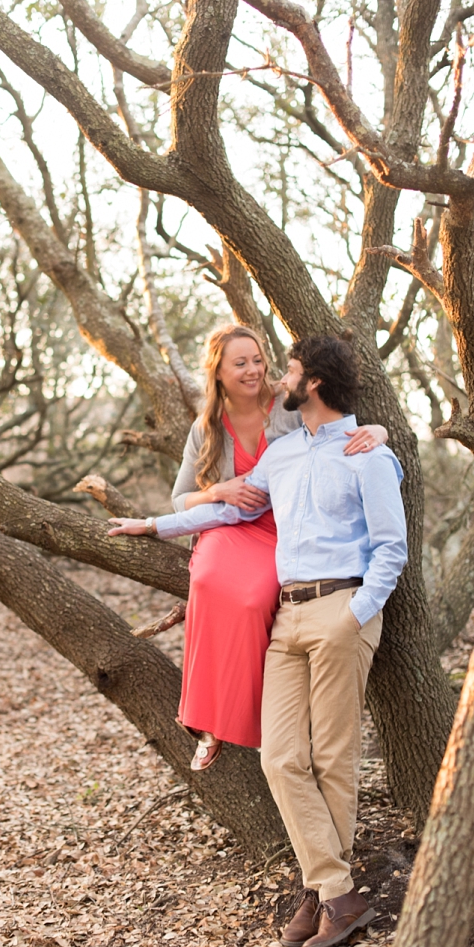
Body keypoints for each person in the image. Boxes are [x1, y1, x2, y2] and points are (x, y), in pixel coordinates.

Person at [111, 334, 407, 947]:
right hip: (287, 616)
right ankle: (336, 890)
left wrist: (355, 614)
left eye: (291, 370)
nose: (279, 378)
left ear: (314, 385)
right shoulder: (282, 453)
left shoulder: (366, 455)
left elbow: (391, 549)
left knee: (332, 758)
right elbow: (226, 512)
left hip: (340, 611)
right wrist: (154, 524)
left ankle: (323, 891)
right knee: (281, 759)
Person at [168, 324, 386, 771]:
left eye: (257, 360)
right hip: (231, 525)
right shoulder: (205, 428)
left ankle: (252, 720)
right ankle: (207, 721)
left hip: (287, 530)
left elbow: (339, 424)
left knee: (254, 599)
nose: (253, 370)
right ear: (219, 372)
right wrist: (217, 491)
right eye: (240, 363)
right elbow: (180, 498)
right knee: (207, 580)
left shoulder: (287, 404)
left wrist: (379, 431)